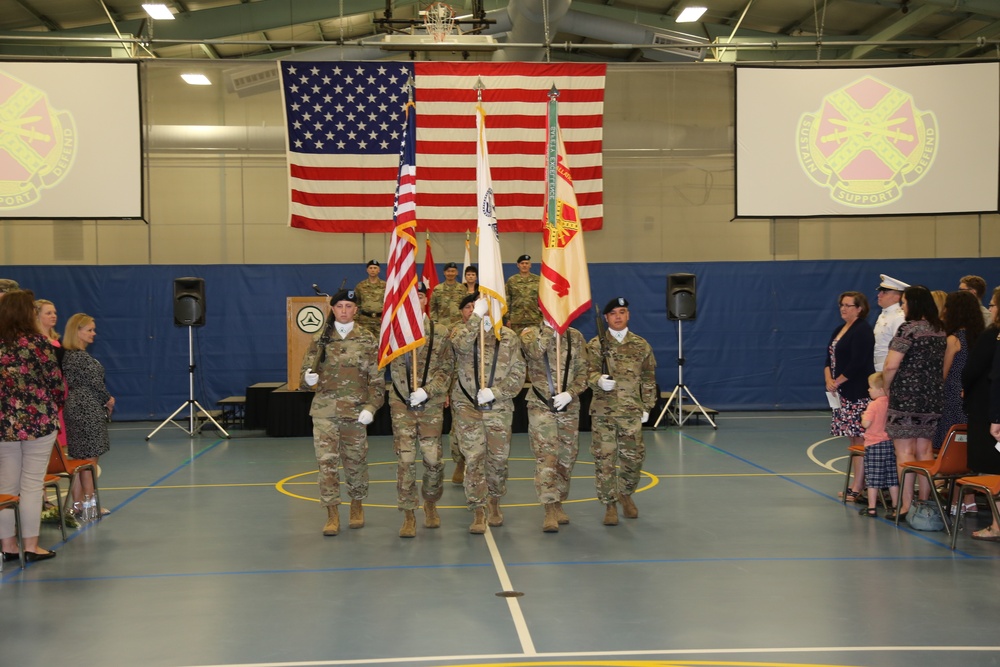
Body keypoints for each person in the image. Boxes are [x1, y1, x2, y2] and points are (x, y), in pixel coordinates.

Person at [300, 289, 384, 536]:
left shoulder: (368, 340)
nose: (344, 311)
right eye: (340, 307)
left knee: (355, 463)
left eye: (349, 306)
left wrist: (371, 407)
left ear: (356, 310)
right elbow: (304, 379)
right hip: (325, 411)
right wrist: (308, 378)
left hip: (356, 412)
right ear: (333, 309)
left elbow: (377, 381)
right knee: (326, 464)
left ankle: (357, 505)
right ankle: (332, 513)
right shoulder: (320, 339)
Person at [449, 294, 525, 534]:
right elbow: (461, 346)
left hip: (499, 407)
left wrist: (497, 392)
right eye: (470, 305)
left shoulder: (509, 337)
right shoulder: (461, 331)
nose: (478, 309)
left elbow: (518, 373)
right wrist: (476, 317)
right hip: (467, 406)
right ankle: (478, 508)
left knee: (498, 459)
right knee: (473, 459)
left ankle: (494, 500)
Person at [0, 289, 64, 563]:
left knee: (7, 486)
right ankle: (31, 545)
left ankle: (8, 545)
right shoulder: (39, 343)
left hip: (4, 424)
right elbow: (56, 384)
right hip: (38, 423)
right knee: (31, 484)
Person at [386, 284, 454, 538]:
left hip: (431, 404)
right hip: (401, 403)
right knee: (405, 460)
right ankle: (408, 513)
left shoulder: (440, 332)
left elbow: (446, 369)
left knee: (433, 460)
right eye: (411, 297)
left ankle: (430, 501)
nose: (416, 300)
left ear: (427, 300)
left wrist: (429, 390)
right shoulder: (393, 332)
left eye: (421, 296)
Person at [587, 297, 657, 526]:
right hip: (603, 413)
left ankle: (625, 494)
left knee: (634, 458)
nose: (618, 316)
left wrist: (648, 406)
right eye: (613, 313)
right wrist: (598, 380)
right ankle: (609, 504)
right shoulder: (595, 345)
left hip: (631, 412)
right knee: (605, 460)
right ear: (606, 317)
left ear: (628, 315)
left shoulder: (641, 345)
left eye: (622, 311)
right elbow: (585, 374)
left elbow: (648, 378)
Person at [520, 318, 591, 532]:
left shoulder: (575, 336)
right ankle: (549, 506)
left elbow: (583, 371)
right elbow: (534, 352)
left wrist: (571, 393)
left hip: (569, 405)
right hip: (541, 404)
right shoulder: (530, 333)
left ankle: (559, 499)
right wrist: (549, 329)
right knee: (547, 456)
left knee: (567, 457)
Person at [883, 285, 946, 521]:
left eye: (905, 301)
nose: (902, 305)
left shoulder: (908, 329)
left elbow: (891, 364)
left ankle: (906, 506)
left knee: (905, 453)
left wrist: (887, 384)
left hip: (906, 400)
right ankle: (924, 503)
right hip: (931, 398)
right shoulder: (938, 329)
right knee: (925, 451)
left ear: (914, 303)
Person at [62, 313, 115, 518]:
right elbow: (96, 385)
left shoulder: (70, 356)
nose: (93, 333)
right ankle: (91, 505)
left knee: (79, 460)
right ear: (78, 332)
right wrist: (108, 399)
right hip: (87, 408)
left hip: (75, 407)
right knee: (90, 461)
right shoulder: (80, 357)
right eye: (89, 330)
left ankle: (76, 505)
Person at [824, 291, 875, 503]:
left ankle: (858, 486)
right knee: (852, 438)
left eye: (848, 305)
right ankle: (857, 483)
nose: (843, 309)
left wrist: (839, 380)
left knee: (861, 438)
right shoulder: (839, 329)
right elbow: (827, 357)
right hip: (841, 393)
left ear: (859, 308)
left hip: (857, 392)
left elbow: (858, 362)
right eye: (841, 305)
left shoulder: (863, 330)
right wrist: (829, 379)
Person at [961, 286, 1000, 536]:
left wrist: (995, 417)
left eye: (994, 305)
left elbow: (976, 371)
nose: (991, 309)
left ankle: (997, 525)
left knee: (992, 468)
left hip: (989, 408)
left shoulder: (993, 335)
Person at [934, 291, 984, 455]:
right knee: (967, 439)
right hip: (972, 395)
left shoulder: (953, 340)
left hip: (952, 398)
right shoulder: (980, 338)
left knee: (949, 440)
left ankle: (947, 475)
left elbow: (943, 373)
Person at [858, 372, 899, 517]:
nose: (868, 390)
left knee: (873, 477)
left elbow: (866, 423)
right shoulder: (891, 403)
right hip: (890, 444)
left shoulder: (873, 405)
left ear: (880, 390)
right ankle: (896, 506)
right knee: (893, 477)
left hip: (874, 444)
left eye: (870, 387)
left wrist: (863, 418)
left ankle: (872, 507)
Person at [35, 299, 67, 447]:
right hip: (44, 391)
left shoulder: (56, 339)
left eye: (54, 312)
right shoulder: (34, 341)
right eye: (48, 313)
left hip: (60, 387)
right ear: (37, 316)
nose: (53, 315)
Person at [873, 274, 908, 371]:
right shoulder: (883, 315)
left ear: (897, 297)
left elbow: (899, 348)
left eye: (884, 292)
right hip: (878, 366)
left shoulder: (899, 318)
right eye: (880, 292)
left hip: (890, 367)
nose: (879, 295)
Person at [505, 254, 541, 333]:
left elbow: (542, 300)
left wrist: (542, 318)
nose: (524, 265)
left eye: (526, 263)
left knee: (533, 343)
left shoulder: (538, 280)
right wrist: (508, 318)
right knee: (516, 343)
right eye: (522, 263)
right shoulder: (512, 280)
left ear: (530, 265)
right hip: (516, 320)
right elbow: (507, 300)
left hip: (534, 319)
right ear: (518, 265)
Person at [354, 260, 386, 338]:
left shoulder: (385, 285)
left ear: (379, 270)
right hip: (365, 321)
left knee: (381, 345)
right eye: (370, 268)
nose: (373, 270)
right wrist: (355, 321)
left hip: (380, 321)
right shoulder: (360, 286)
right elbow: (356, 304)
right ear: (367, 270)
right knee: (366, 344)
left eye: (375, 268)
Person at [430, 262, 466, 329]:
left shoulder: (463, 289)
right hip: (442, 325)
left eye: (453, 271)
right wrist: (435, 322)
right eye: (448, 271)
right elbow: (433, 308)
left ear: (457, 272)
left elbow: (466, 307)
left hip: (459, 325)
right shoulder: (437, 289)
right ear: (444, 273)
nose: (450, 273)